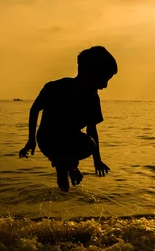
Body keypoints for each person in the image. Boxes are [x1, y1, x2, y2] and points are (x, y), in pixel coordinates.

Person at [19, 46, 117, 191]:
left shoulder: (92, 98)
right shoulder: (55, 87)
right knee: (74, 149)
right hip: (48, 139)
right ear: (89, 72)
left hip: (68, 141)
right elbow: (34, 110)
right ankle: (66, 166)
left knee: (90, 145)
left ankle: (66, 167)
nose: (105, 85)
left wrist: (97, 160)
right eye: (104, 78)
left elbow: (92, 129)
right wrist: (31, 140)